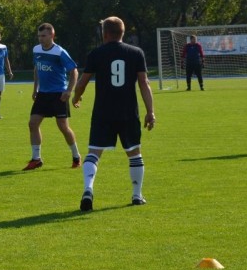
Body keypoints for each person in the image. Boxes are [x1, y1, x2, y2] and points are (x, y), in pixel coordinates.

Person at [71, 16, 155, 211]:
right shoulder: (136, 53)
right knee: (134, 153)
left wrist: (76, 97)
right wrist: (150, 111)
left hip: (103, 111)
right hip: (128, 111)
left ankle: (88, 189)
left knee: (94, 153)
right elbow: (144, 83)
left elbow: (82, 82)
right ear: (122, 33)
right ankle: (136, 195)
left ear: (105, 34)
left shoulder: (96, 54)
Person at [24, 23, 81, 170]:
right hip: (43, 94)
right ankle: (36, 159)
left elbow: (74, 71)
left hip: (58, 94)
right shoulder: (36, 50)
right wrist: (35, 88)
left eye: (43, 36)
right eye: (39, 36)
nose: (41, 39)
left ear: (52, 35)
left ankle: (76, 156)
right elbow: (37, 68)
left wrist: (69, 90)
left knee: (63, 126)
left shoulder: (59, 52)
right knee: (32, 123)